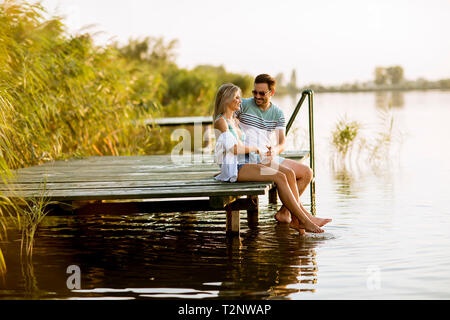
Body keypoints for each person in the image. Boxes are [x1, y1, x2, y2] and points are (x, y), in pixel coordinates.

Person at [213, 83, 325, 234]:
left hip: (247, 163)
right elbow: (233, 148)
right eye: (237, 98)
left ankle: (297, 220)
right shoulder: (221, 121)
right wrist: (256, 148)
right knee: (279, 176)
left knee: (288, 173)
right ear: (226, 99)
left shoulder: (234, 120)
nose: (240, 100)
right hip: (236, 168)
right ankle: (303, 220)